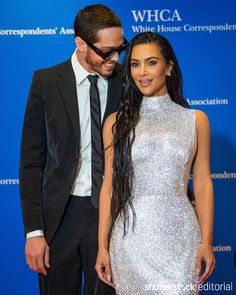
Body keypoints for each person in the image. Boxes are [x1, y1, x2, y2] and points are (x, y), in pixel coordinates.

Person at [96, 32, 215, 294]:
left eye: (151, 62)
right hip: (130, 241)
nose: (142, 72)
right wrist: (102, 247)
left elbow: (204, 182)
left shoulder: (196, 120)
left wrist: (207, 241)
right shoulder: (116, 124)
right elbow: (109, 188)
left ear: (169, 66)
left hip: (182, 239)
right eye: (135, 64)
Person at [19, 4, 126, 295]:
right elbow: (31, 164)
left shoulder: (127, 81)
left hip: (108, 214)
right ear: (80, 43)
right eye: (106, 51)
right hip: (58, 218)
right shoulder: (45, 82)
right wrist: (35, 232)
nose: (115, 58)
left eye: (120, 48)